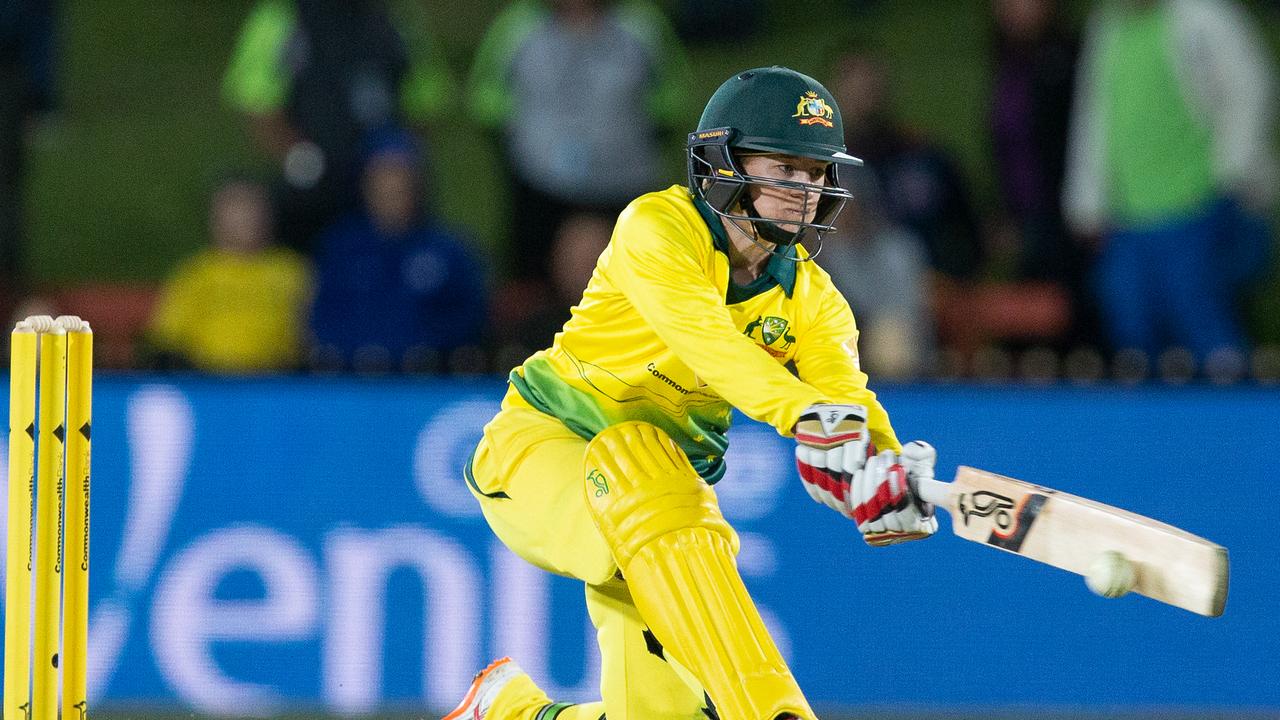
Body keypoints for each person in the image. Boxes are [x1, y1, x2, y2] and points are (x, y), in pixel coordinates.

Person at [448, 67, 938, 720]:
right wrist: (808, 418)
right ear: (723, 161)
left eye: (817, 173)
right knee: (640, 457)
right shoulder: (657, 228)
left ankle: (506, 713)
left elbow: (842, 398)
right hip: (544, 455)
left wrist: (879, 471)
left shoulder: (815, 302)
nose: (805, 190)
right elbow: (710, 343)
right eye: (786, 168)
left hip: (660, 525)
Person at [1063, 0, 1277, 372]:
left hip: (1196, 203)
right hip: (1128, 214)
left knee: (1199, 315)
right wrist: (1087, 202)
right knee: (1130, 320)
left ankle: (1232, 417)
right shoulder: (1108, 28)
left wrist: (1233, 172)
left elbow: (1250, 88)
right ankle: (1151, 426)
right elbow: (1094, 118)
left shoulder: (1205, 17)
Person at [467, 0, 689, 286]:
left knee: (628, 283)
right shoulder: (519, 26)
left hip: (622, 186)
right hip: (541, 187)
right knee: (535, 284)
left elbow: (670, 98)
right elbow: (487, 99)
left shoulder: (640, 25)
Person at [222, 0, 453, 253]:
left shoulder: (395, 17)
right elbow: (256, 99)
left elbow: (425, 99)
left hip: (377, 172)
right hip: (314, 176)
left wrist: (399, 159)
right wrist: (296, 157)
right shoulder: (283, 15)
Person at [308, 127, 487, 372]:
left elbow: (470, 319)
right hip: (351, 383)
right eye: (383, 174)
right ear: (365, 184)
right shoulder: (341, 247)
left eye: (401, 174)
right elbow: (321, 318)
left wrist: (423, 348)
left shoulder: (449, 250)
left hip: (430, 383)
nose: (393, 184)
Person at [146, 176, 311, 372]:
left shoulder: (292, 271)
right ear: (215, 219)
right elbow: (168, 339)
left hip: (278, 382)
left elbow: (311, 333)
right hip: (208, 382)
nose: (247, 218)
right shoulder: (196, 274)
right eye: (236, 209)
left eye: (253, 208)